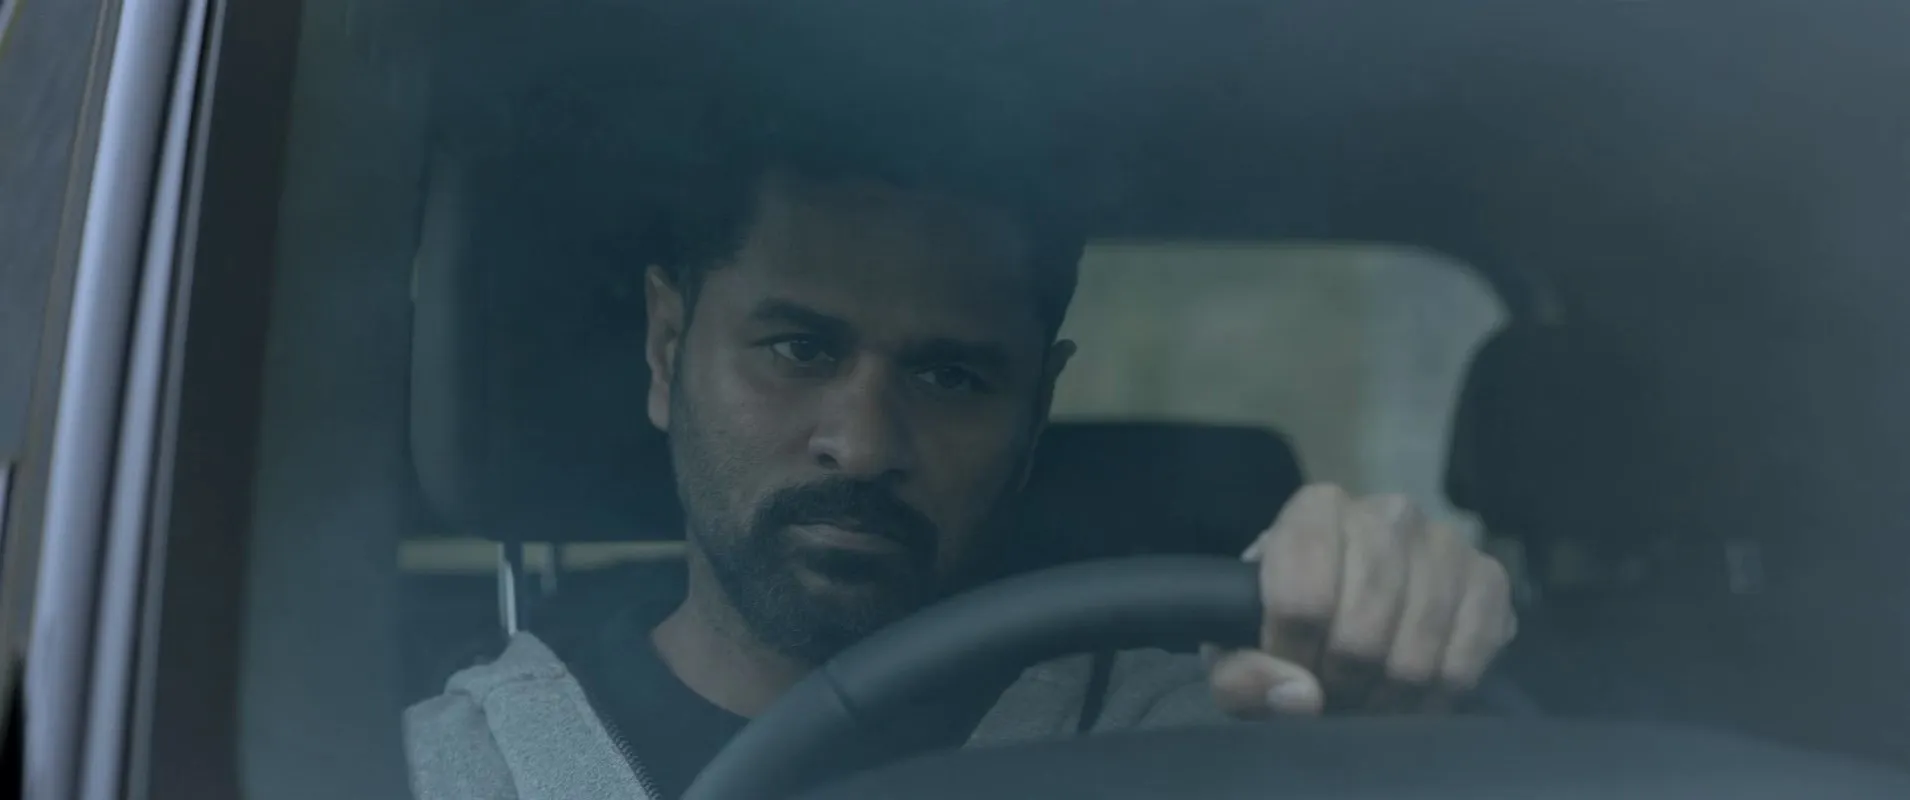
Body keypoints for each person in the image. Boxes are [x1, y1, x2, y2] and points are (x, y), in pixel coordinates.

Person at [404, 140, 1516, 800]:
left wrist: (1397, 664)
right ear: (664, 349)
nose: (863, 444)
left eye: (951, 376)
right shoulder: (432, 769)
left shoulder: (1205, 740)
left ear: (1038, 407)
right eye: (799, 350)